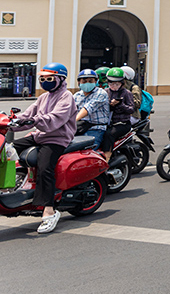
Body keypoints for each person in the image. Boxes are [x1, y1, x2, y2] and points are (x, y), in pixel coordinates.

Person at [8, 63, 76, 233]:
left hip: (57, 138)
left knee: (45, 168)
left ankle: (49, 211)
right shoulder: (43, 97)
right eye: (42, 79)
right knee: (8, 148)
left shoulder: (66, 96)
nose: (45, 82)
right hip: (40, 135)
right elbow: (28, 115)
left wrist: (35, 121)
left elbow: (55, 118)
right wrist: (11, 121)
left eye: (49, 78)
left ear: (60, 79)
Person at [102, 67, 134, 162]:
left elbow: (131, 109)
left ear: (122, 83)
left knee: (109, 134)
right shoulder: (105, 92)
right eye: (111, 84)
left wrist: (120, 104)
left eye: (117, 84)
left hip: (122, 123)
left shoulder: (127, 93)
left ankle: (107, 157)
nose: (114, 86)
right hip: (108, 122)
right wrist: (110, 105)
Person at [73, 69, 110, 151]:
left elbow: (88, 108)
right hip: (80, 127)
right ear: (79, 82)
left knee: (87, 152)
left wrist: (74, 120)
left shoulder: (101, 93)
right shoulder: (77, 95)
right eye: (84, 81)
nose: (87, 83)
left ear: (96, 81)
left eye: (90, 81)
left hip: (96, 128)